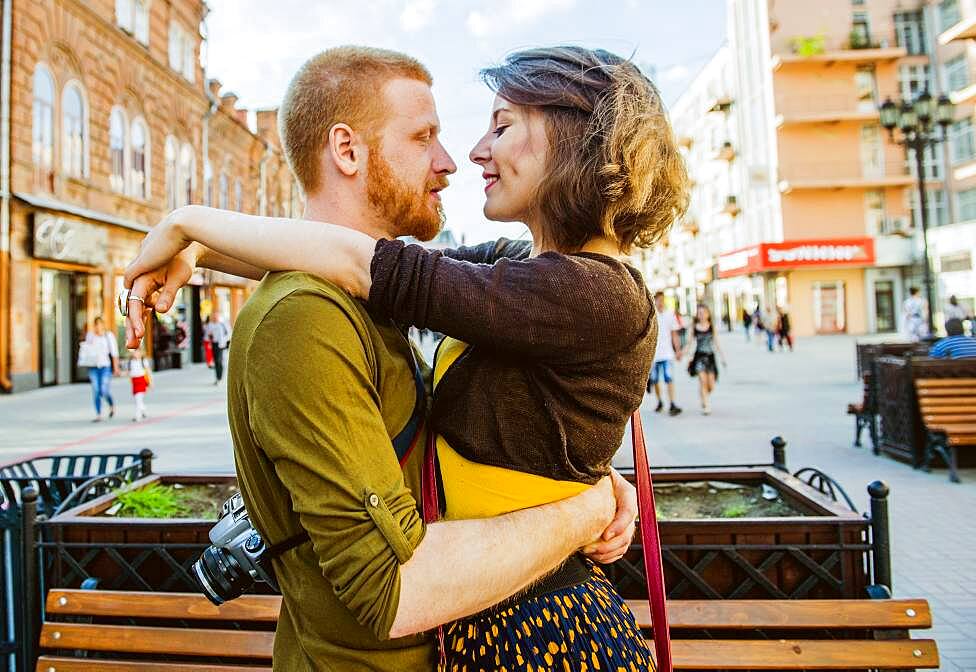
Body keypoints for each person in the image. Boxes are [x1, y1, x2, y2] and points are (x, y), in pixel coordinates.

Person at [123, 45, 687, 671]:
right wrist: (199, 250)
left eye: (501, 126)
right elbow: (362, 262)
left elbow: (373, 266)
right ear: (347, 151)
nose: (469, 154)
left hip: (539, 630)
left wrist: (189, 225)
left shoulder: (596, 292)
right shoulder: (517, 269)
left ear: (574, 141)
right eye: (425, 138)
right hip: (488, 616)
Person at [685, 303, 726, 415]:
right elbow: (689, 343)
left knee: (711, 385)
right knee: (703, 381)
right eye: (700, 313)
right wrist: (686, 355)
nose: (702, 315)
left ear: (708, 314)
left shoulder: (711, 326)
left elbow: (717, 342)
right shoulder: (694, 327)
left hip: (710, 357)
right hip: (699, 357)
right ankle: (706, 405)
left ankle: (704, 396)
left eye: (704, 313)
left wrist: (722, 357)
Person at [79, 316, 119, 422]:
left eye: (99, 325)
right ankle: (98, 414)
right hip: (93, 367)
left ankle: (111, 404)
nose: (98, 327)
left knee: (104, 390)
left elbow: (114, 353)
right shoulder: (90, 336)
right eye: (96, 325)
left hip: (105, 366)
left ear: (103, 325)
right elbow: (86, 349)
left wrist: (116, 368)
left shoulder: (108, 336)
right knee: (96, 390)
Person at [650, 291, 683, 415]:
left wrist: (678, 350)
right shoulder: (652, 316)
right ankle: (659, 401)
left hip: (667, 353)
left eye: (662, 300)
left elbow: (674, 334)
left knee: (669, 378)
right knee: (655, 380)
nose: (661, 302)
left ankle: (672, 403)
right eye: (658, 300)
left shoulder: (670, 315)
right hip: (654, 355)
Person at [203, 311, 231, 385]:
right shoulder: (210, 325)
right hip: (214, 344)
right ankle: (218, 378)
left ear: (219, 316)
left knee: (219, 361)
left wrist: (223, 340)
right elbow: (206, 336)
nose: (215, 318)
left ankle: (220, 377)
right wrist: (209, 338)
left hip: (221, 345)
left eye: (216, 316)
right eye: (213, 316)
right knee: (216, 361)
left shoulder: (223, 324)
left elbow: (229, 334)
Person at [127, 349, 152, 421]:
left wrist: (150, 382)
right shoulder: (130, 362)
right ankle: (144, 410)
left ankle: (137, 415)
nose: (135, 353)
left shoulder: (143, 361)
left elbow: (148, 372)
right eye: (134, 352)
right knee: (137, 399)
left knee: (138, 398)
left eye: (137, 352)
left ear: (141, 352)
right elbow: (129, 372)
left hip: (142, 381)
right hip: (134, 382)